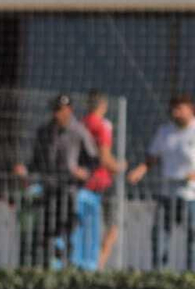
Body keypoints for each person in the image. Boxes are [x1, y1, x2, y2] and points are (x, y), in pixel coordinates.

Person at [12, 94, 96, 269]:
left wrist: (84, 173)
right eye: (54, 110)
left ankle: (69, 264)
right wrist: (25, 170)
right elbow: (36, 161)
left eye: (60, 110)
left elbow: (93, 160)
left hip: (69, 190)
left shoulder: (79, 132)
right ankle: (47, 264)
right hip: (48, 188)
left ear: (69, 110)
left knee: (67, 229)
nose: (57, 114)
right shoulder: (44, 132)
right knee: (44, 229)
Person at [128, 93, 195, 272]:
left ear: (190, 109)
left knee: (192, 236)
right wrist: (140, 170)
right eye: (173, 109)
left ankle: (191, 275)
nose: (176, 113)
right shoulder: (165, 131)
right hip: (167, 193)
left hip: (191, 195)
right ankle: (158, 272)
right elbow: (153, 157)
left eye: (180, 108)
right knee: (160, 234)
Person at [77, 90, 125, 270]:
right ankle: (98, 265)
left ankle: (85, 263)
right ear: (103, 106)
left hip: (83, 182)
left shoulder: (80, 124)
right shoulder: (102, 125)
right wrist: (120, 166)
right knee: (111, 229)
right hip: (102, 183)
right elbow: (105, 158)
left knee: (85, 227)